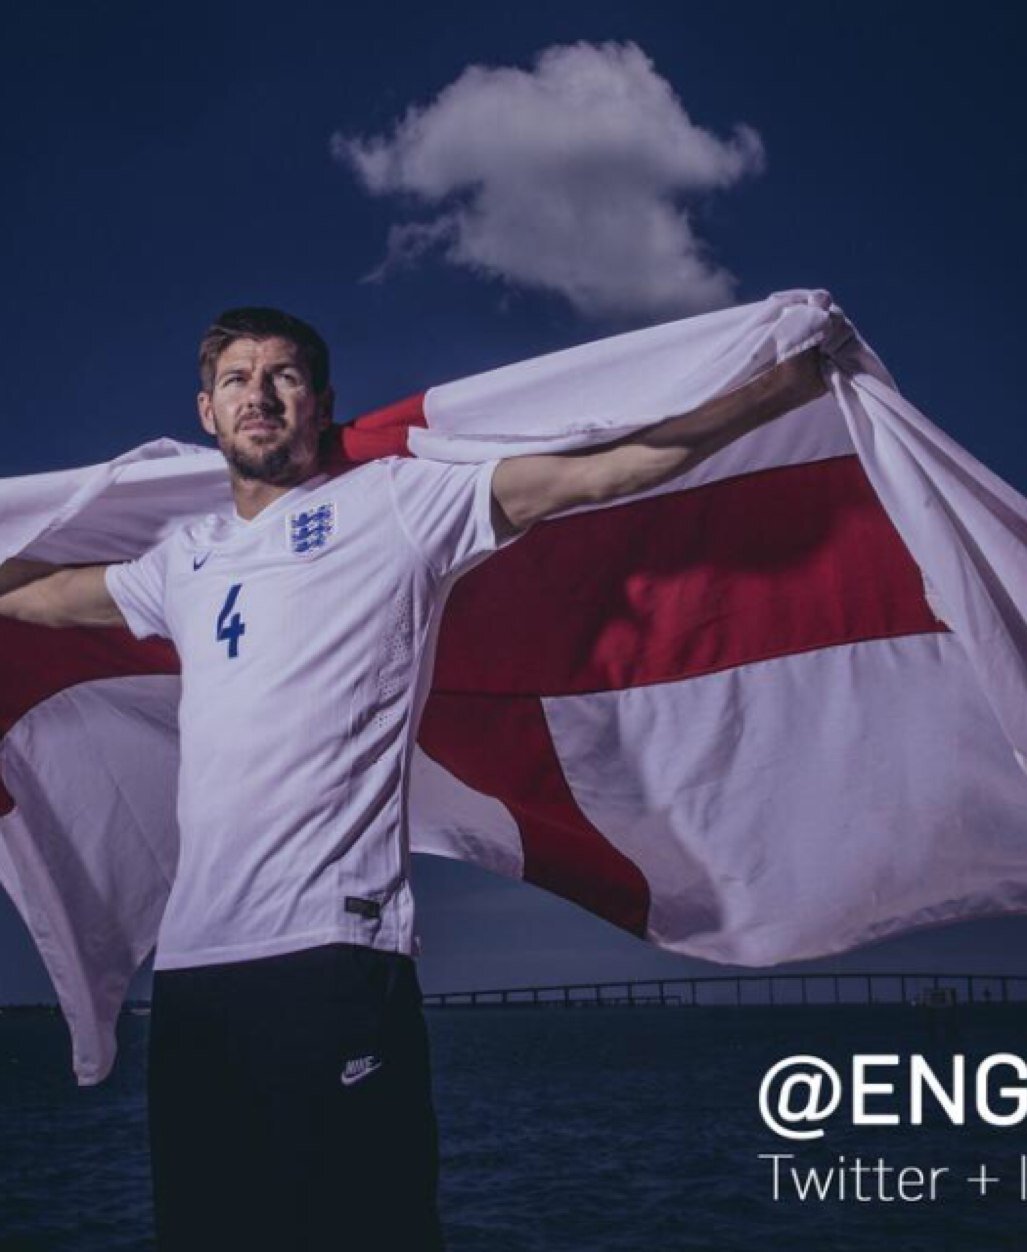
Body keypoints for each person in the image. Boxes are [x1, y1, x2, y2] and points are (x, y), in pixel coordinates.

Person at [0, 306, 827, 1249]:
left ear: (321, 404)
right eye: (237, 379)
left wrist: (782, 389)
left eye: (283, 376)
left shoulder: (396, 502)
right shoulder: (183, 561)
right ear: (205, 411)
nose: (259, 395)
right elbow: (46, 598)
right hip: (193, 977)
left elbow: (603, 469)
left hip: (333, 955)